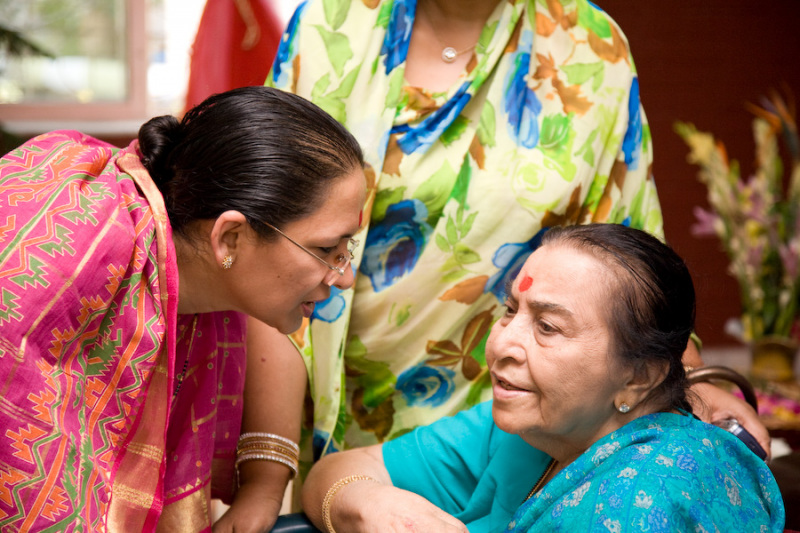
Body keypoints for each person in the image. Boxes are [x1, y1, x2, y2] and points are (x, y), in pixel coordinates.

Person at [262, 0, 769, 481]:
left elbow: (631, 264)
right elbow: (269, 248)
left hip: (507, 423)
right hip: (311, 408)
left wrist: (689, 384)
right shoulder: (331, 22)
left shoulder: (590, 47)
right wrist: (266, 467)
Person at [0, 86, 366, 532]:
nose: (344, 276)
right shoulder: (74, 265)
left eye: (347, 247)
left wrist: (263, 487)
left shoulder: (191, 256)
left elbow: (267, 326)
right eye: (327, 248)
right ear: (230, 238)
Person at [301, 223, 786, 533]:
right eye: (510, 311)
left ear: (638, 376)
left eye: (548, 327)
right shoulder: (531, 430)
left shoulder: (651, 499)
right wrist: (369, 504)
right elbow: (333, 473)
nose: (503, 344)